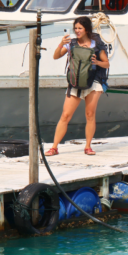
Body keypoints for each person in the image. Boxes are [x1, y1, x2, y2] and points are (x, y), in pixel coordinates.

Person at [45, 16, 110, 156]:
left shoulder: (97, 44)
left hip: (93, 82)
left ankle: (88, 146)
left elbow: (106, 63)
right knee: (66, 115)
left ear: (86, 29)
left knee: (90, 114)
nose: (77, 31)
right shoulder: (72, 43)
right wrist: (61, 44)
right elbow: (56, 56)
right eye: (75, 28)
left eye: (80, 28)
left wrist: (97, 62)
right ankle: (54, 147)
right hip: (75, 82)